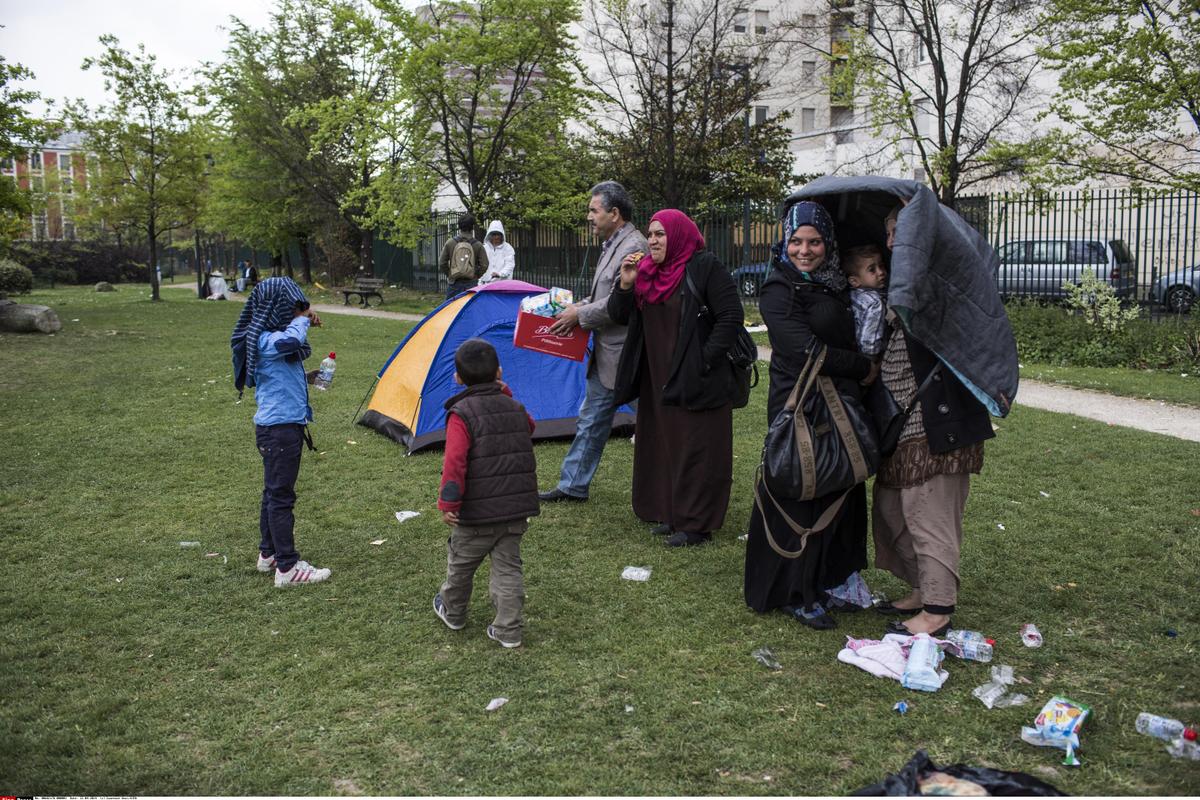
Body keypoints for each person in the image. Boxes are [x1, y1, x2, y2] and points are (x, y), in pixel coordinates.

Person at [742, 201, 875, 628]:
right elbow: (805, 350)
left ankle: (832, 581)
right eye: (796, 241)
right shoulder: (779, 288)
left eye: (814, 241)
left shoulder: (835, 283)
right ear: (784, 241)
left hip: (842, 400)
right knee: (803, 484)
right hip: (800, 402)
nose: (805, 250)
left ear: (827, 243)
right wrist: (862, 367)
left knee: (840, 482)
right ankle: (792, 590)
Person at [872, 205, 993, 637]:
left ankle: (938, 610)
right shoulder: (902, 280)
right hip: (904, 423)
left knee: (929, 514)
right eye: (888, 232)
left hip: (939, 422)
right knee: (891, 509)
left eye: (899, 231)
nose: (891, 242)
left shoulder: (939, 281)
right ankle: (924, 588)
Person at [607, 209, 744, 547]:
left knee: (699, 448)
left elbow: (730, 317)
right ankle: (672, 513)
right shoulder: (648, 273)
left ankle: (697, 525)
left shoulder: (704, 267)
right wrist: (626, 283)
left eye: (660, 234)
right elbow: (619, 316)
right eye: (651, 234)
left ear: (679, 235)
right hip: (658, 377)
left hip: (698, 377)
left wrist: (703, 360)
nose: (652, 240)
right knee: (666, 445)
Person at [539, 181, 646, 503]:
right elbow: (604, 295)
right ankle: (573, 485)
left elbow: (621, 304)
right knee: (590, 420)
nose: (589, 216)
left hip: (629, 357)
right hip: (607, 355)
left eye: (593, 210)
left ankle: (675, 487)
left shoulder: (633, 246)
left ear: (614, 213)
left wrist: (579, 315)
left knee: (660, 425)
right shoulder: (612, 244)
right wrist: (577, 306)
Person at [432, 338, 539, 648]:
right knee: (508, 567)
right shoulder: (514, 406)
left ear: (457, 378)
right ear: (499, 372)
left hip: (476, 513)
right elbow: (528, 427)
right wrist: (505, 393)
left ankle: (453, 611)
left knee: (462, 563)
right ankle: (509, 629)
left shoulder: (461, 414)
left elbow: (454, 461)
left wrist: (449, 501)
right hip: (515, 509)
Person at [230, 277, 332, 588]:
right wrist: (302, 319)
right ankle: (287, 567)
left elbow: (285, 364)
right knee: (281, 497)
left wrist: (310, 376)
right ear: (275, 308)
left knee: (272, 493)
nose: (296, 314)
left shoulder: (269, 338)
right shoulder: (263, 339)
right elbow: (288, 344)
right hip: (279, 429)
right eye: (291, 308)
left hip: (280, 426)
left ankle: (268, 554)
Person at [842, 243, 888, 358]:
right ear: (854, 281)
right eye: (872, 270)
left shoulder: (852, 294)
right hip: (873, 359)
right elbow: (870, 345)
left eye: (881, 266)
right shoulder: (875, 303)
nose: (881, 272)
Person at [439, 214, 489, 299]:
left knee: (452, 309)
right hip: (471, 283)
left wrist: (450, 274)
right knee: (469, 310)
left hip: (454, 283)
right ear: (472, 227)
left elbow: (442, 262)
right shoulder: (478, 245)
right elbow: (484, 265)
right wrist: (476, 275)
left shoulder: (450, 243)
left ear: (459, 226)